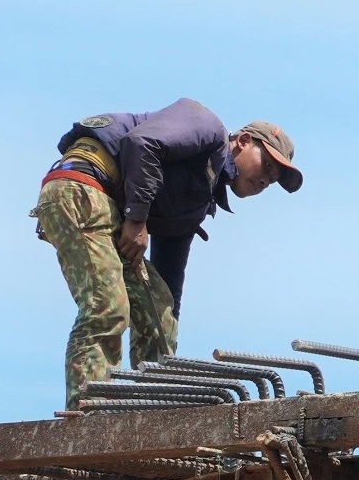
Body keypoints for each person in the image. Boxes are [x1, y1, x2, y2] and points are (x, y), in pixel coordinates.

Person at [32, 98, 302, 409]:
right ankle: (88, 412)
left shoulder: (196, 200)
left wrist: (166, 319)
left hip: (107, 208)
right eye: (267, 164)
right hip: (80, 187)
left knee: (159, 311)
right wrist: (136, 218)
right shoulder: (207, 127)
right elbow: (141, 142)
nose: (267, 180)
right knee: (107, 307)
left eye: (274, 179)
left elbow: (169, 277)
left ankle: (156, 412)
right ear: (242, 141)